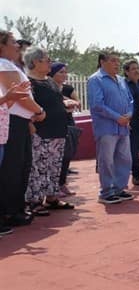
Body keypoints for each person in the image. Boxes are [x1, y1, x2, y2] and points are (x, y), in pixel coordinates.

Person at [0, 31, 44, 228]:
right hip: (13, 122)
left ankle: (17, 208)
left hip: (20, 121)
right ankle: (11, 211)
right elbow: (19, 95)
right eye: (12, 42)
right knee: (14, 168)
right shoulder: (3, 65)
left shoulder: (10, 65)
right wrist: (39, 110)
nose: (17, 45)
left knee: (22, 165)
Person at [23, 47, 74, 215]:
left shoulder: (49, 81)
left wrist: (65, 106)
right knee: (39, 168)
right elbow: (27, 106)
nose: (50, 63)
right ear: (36, 62)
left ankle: (51, 197)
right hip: (41, 132)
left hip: (58, 131)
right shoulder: (29, 82)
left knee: (54, 166)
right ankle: (35, 201)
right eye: (47, 60)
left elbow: (57, 101)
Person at [88, 52, 135, 203]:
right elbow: (97, 104)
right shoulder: (96, 80)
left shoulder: (121, 80)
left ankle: (119, 188)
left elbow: (130, 100)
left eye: (118, 61)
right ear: (102, 62)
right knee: (106, 160)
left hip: (123, 127)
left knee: (124, 159)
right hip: (106, 127)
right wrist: (117, 117)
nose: (117, 64)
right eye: (113, 61)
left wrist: (129, 114)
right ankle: (107, 192)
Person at [49, 62, 81, 195]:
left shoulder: (67, 88)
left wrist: (71, 103)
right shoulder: (49, 87)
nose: (64, 74)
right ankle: (53, 187)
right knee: (54, 157)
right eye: (60, 72)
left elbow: (77, 103)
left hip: (68, 123)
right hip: (53, 124)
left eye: (65, 72)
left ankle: (62, 183)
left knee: (67, 155)